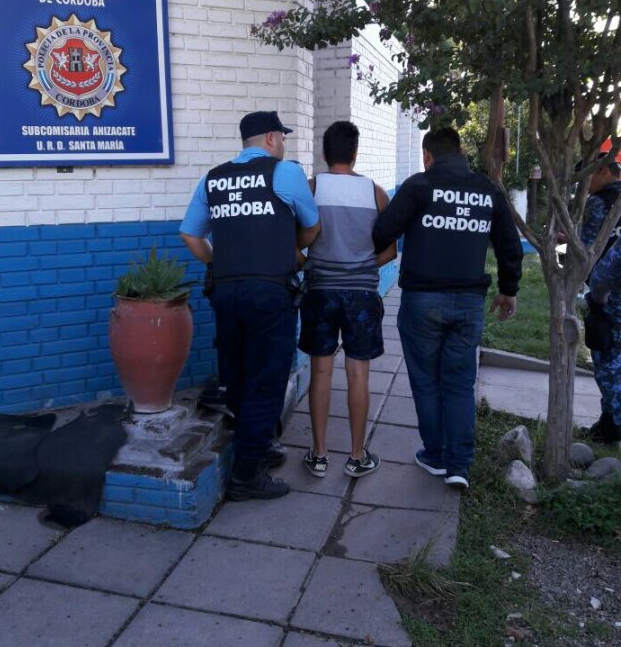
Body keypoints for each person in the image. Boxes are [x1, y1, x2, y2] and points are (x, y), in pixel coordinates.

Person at [180, 111, 320, 501]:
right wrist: (291, 251)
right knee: (267, 379)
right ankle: (246, 475)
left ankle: (257, 445)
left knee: (238, 376)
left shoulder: (214, 178)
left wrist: (221, 264)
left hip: (226, 293)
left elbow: (190, 235)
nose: (284, 144)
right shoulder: (285, 172)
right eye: (283, 137)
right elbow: (313, 227)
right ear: (272, 138)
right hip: (269, 293)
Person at [372, 127, 523, 489]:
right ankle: (459, 465)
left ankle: (436, 455)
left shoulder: (419, 186)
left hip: (422, 302)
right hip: (469, 303)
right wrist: (508, 290)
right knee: (459, 383)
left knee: (426, 380)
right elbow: (509, 245)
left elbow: (382, 232)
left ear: (427, 155)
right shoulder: (488, 190)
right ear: (460, 152)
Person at [298, 121, 397, 479]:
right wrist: (361, 266)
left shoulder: (311, 189)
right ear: (355, 153)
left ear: (325, 153)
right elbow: (390, 252)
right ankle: (357, 456)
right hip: (362, 295)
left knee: (320, 371)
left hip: (320, 291)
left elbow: (298, 242)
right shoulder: (375, 193)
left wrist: (314, 265)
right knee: (358, 374)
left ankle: (319, 455)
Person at [580, 142, 621, 442]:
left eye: (588, 176)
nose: (586, 185)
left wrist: (595, 295)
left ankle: (616, 422)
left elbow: (587, 252)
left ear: (604, 171)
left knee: (607, 363)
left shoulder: (598, 203)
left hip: (609, 298)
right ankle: (608, 424)